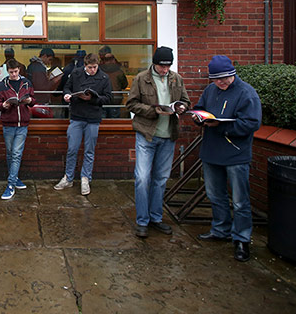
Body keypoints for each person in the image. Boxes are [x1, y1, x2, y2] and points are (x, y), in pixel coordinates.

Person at [194, 55, 262, 263]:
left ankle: (242, 239)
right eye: (215, 79)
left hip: (236, 154)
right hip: (212, 151)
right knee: (215, 195)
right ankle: (220, 229)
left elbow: (252, 123)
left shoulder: (246, 93)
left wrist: (222, 126)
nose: (220, 83)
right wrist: (199, 118)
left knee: (240, 201)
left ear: (232, 73)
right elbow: (200, 107)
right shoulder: (210, 90)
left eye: (223, 78)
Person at [126, 47, 190, 238]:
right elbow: (131, 104)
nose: (165, 69)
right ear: (154, 63)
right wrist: (153, 110)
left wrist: (181, 107)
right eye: (162, 66)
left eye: (168, 66)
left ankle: (156, 218)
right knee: (142, 178)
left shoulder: (176, 78)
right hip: (147, 134)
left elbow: (186, 101)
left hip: (168, 135)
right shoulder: (141, 78)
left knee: (161, 180)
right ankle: (142, 221)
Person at [54, 53, 112, 196]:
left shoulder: (104, 78)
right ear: (84, 65)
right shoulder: (76, 73)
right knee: (72, 149)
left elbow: (109, 98)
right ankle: (68, 178)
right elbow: (67, 88)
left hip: (93, 118)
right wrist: (67, 95)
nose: (93, 70)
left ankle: (85, 179)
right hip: (76, 116)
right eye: (90, 67)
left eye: (95, 67)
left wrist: (92, 99)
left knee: (89, 151)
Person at [0, 59, 35, 200]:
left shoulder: (26, 83)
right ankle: (15, 177)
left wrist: (30, 101)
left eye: (15, 72)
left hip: (22, 123)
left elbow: (33, 99)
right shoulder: (2, 85)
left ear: (19, 70)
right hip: (8, 124)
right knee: (10, 154)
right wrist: (4, 105)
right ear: (8, 71)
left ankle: (10, 185)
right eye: (11, 72)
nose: (13, 74)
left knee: (16, 154)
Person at [98, 46, 129, 118]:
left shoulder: (99, 71)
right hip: (115, 100)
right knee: (114, 122)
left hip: (103, 99)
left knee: (102, 124)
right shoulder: (119, 72)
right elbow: (124, 85)